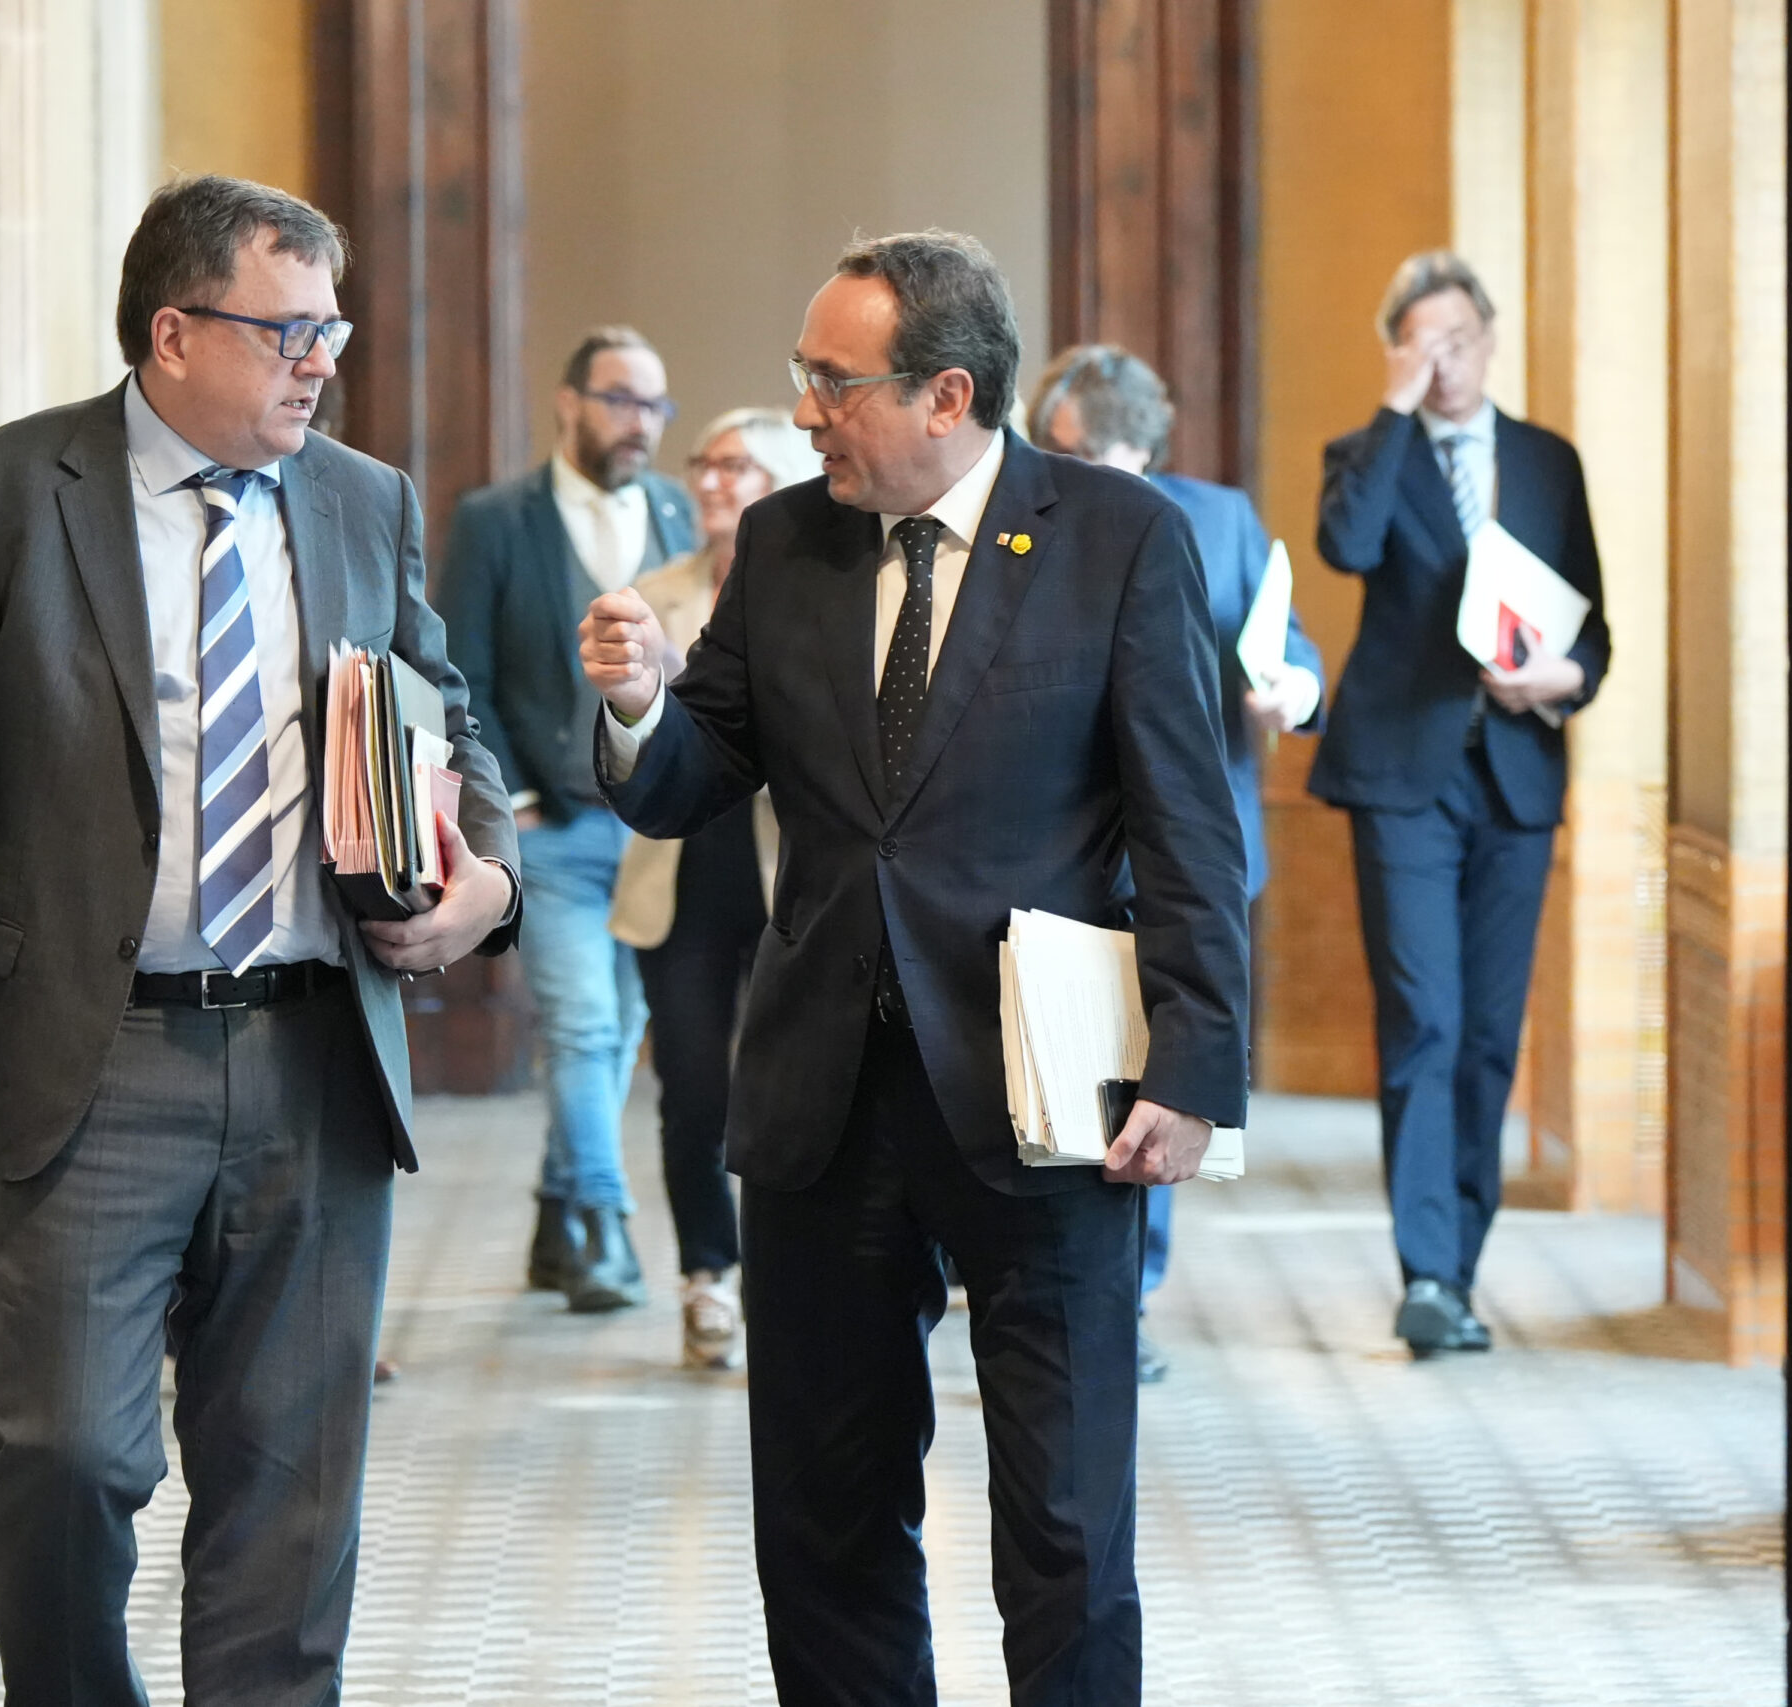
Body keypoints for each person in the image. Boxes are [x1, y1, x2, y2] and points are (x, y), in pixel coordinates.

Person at [0, 175, 522, 1706]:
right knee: (61, 1453)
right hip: (95, 1061)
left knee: (289, 1492)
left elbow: (442, 710)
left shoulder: (362, 498)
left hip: (316, 1050)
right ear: (173, 333)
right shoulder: (4, 495)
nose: (320, 364)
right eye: (289, 331)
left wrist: (488, 878)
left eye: (332, 332)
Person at [581, 230, 1251, 1706]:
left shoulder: (1117, 537)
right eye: (803, 375)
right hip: (822, 1101)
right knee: (826, 1517)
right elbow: (697, 774)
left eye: (835, 381)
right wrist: (637, 708)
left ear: (947, 393)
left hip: (1044, 1095)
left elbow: (1187, 824)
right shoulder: (785, 543)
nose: (804, 411)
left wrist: (1197, 1064)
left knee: (1066, 1524)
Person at [1310, 250, 1610, 1358]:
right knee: (1423, 1019)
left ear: (1490, 341)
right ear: (1398, 351)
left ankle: (1460, 1266)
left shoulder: (1545, 461)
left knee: (1487, 1033)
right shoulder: (1366, 454)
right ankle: (1426, 1273)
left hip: (1516, 774)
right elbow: (1346, 546)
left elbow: (1595, 631)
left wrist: (1562, 679)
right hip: (1403, 778)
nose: (1445, 361)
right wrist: (1394, 410)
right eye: (1422, 344)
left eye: (1460, 340)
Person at [1027, 343, 1326, 1383]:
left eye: (1104, 455)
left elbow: (1288, 645)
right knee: (1064, 1071)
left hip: (1196, 850)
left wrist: (1291, 688)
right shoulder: (1031, 519)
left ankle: (1128, 1302)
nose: (1088, 473)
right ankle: (1037, 1276)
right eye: (1069, 453)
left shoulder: (1222, 518)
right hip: (1064, 847)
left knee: (1161, 1078)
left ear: (1147, 445)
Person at [442, 327, 696, 1313]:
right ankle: (601, 1223)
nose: (641, 422)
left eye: (654, 405)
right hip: (552, 827)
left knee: (621, 1026)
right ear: (569, 401)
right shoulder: (496, 519)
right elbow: (461, 670)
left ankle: (556, 1220)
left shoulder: (675, 513)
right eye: (621, 399)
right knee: (583, 1024)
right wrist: (513, 805)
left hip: (652, 833)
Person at [605, 407, 821, 1370]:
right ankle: (706, 1275)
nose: (710, 481)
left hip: (793, 881)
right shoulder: (656, 593)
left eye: (735, 466)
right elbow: (626, 740)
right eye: (704, 463)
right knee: (692, 1090)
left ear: (781, 481)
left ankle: (790, 1279)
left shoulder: (822, 589)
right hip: (681, 878)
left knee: (791, 1093)